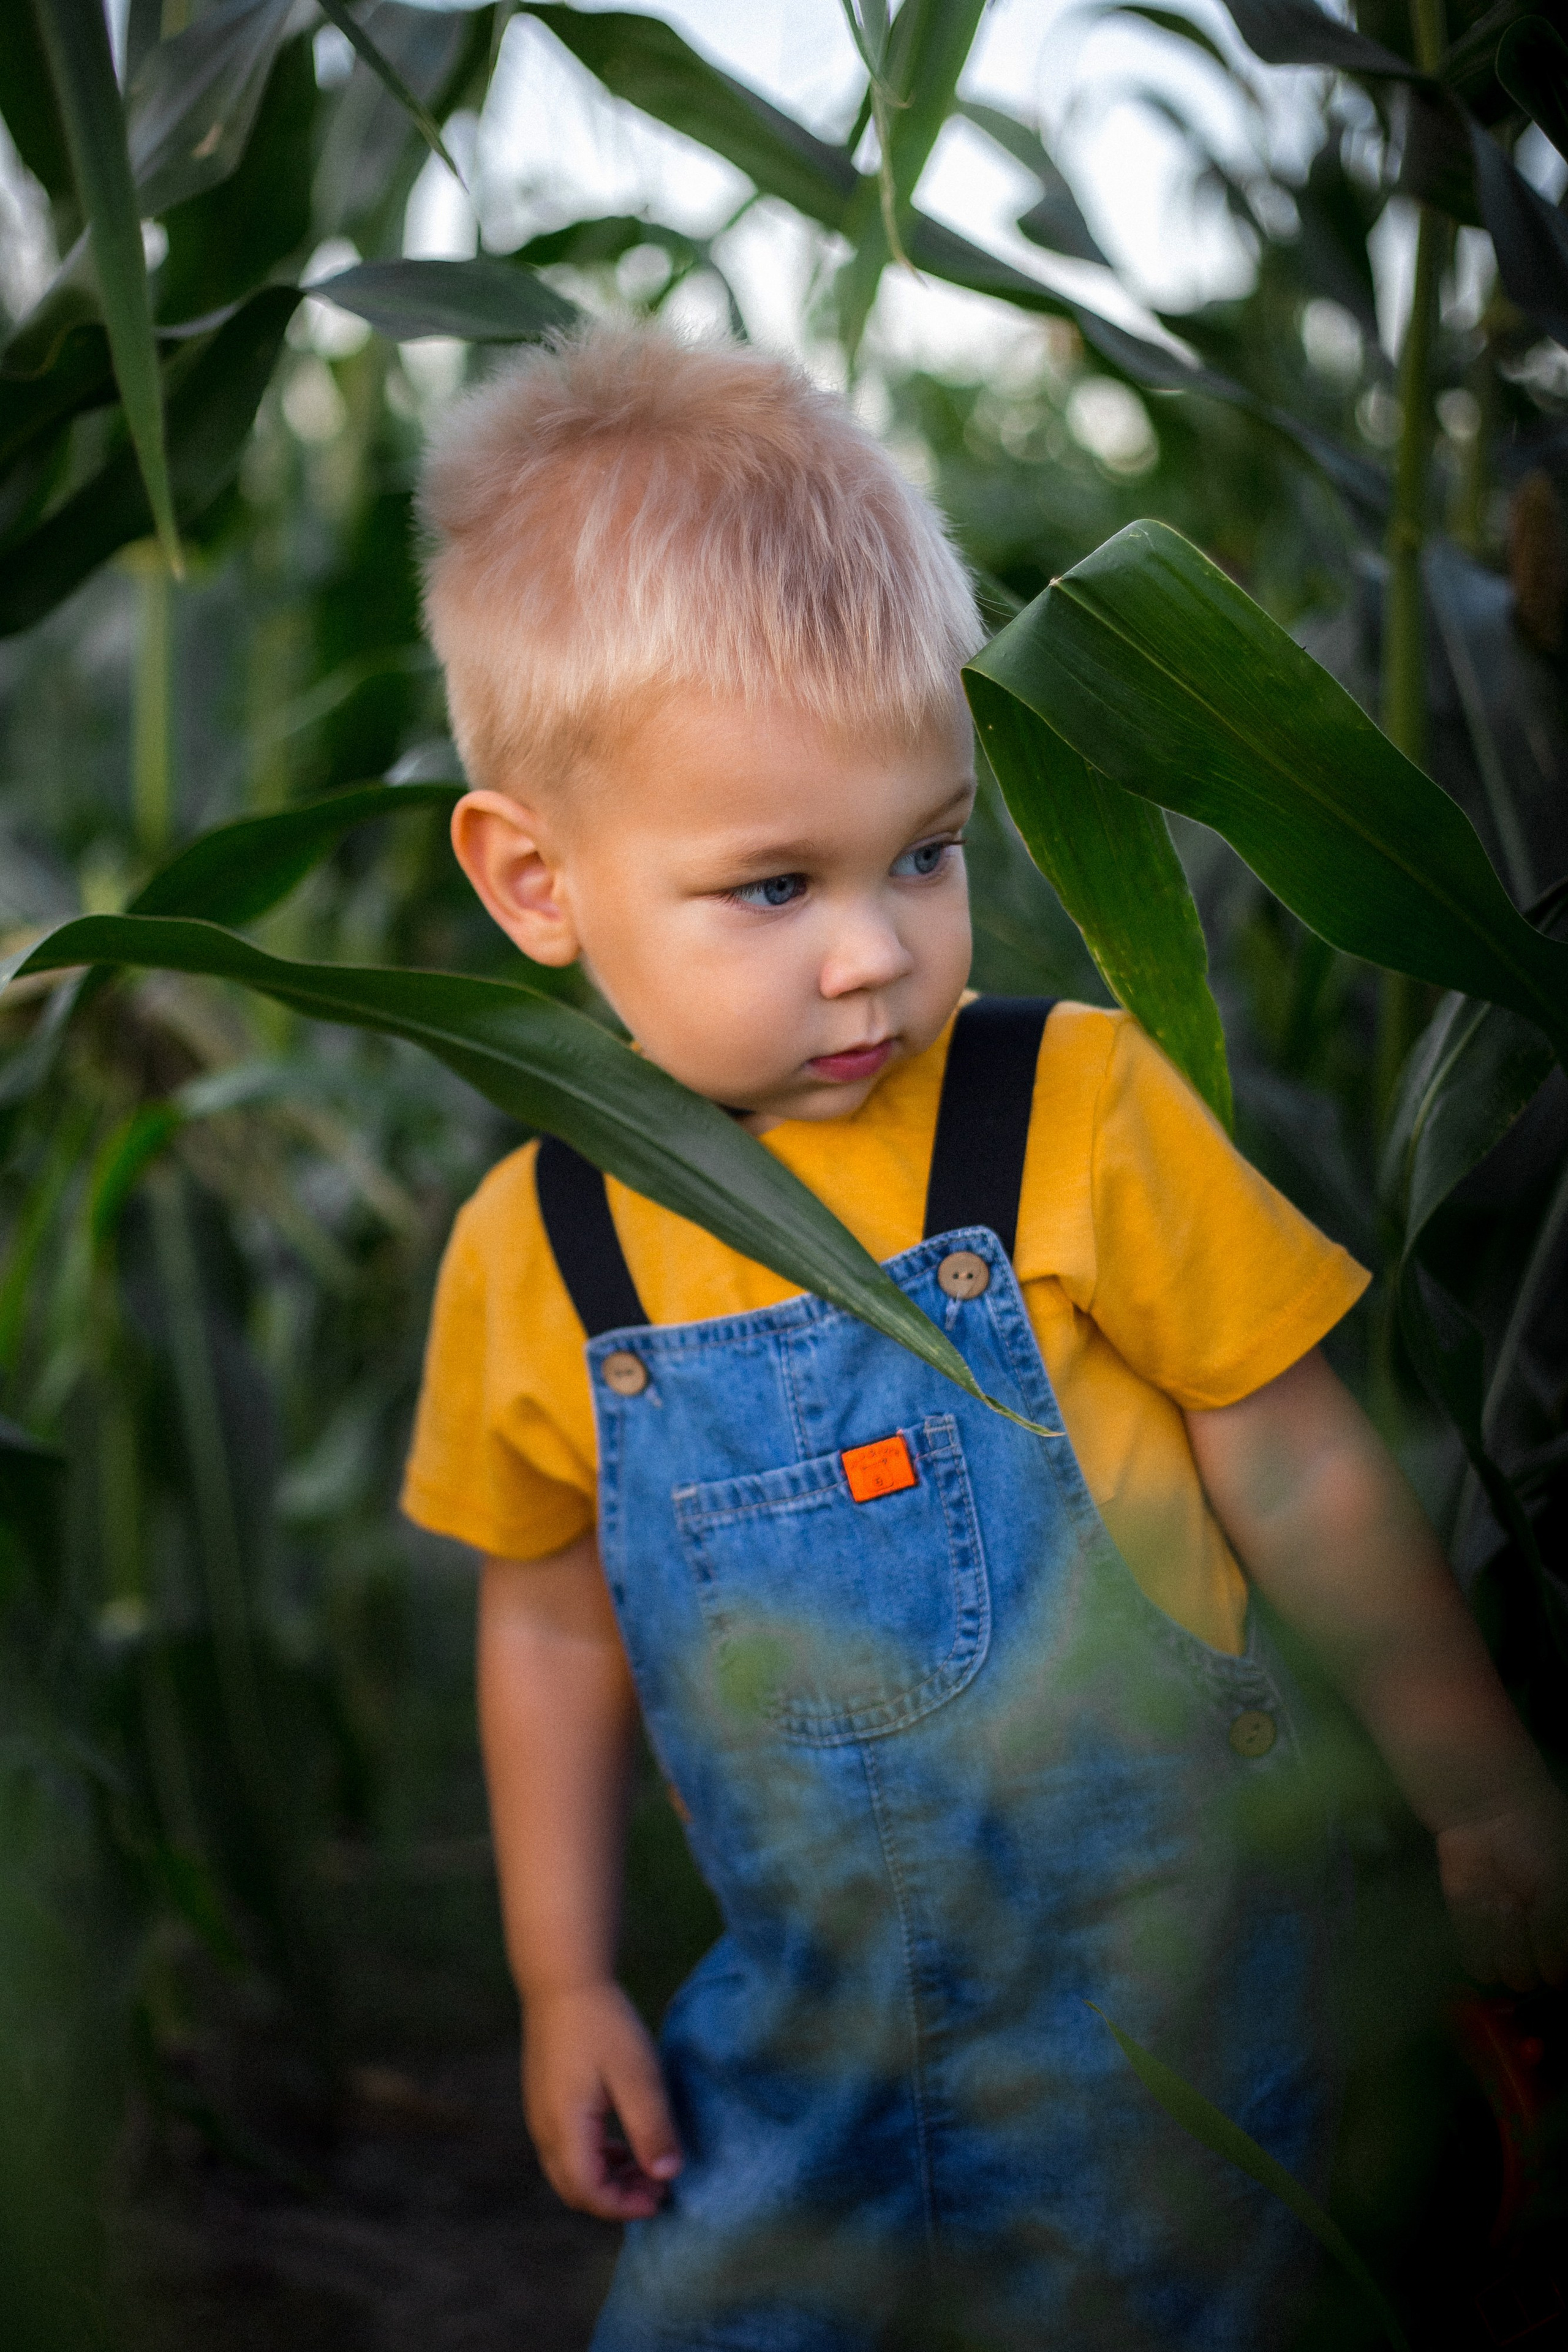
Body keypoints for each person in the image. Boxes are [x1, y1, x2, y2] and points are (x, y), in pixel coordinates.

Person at [400, 326, 1567, 2351]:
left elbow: (1289, 1457)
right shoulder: (545, 1249)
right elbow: (548, 1619)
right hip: (799, 2047)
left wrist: (1477, 1790)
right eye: (772, 887)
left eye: (924, 853)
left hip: (1174, 2023)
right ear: (534, 880)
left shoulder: (1072, 1114)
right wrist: (565, 1978)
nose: (880, 953)